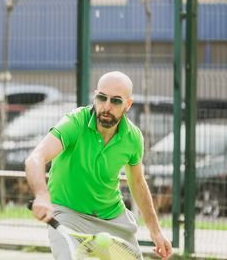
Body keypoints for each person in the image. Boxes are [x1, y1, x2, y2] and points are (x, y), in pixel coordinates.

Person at [25, 71, 172, 260]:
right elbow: (35, 158)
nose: (106, 106)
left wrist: (156, 232)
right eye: (102, 98)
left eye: (116, 101)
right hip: (67, 214)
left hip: (112, 217)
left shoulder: (133, 138)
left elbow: (137, 182)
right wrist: (42, 196)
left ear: (128, 104)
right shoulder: (75, 122)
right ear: (95, 96)